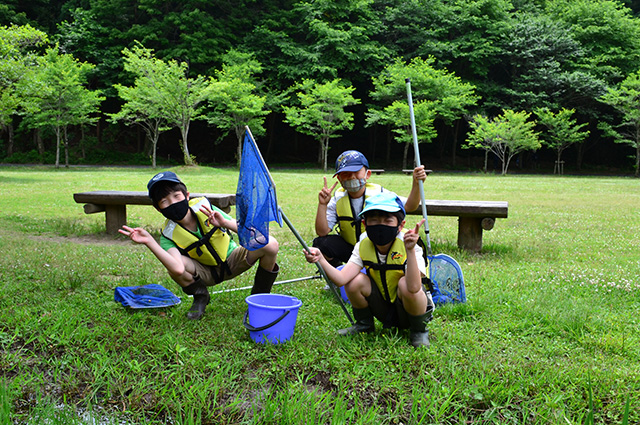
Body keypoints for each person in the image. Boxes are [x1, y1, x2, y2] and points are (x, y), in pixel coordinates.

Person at [119, 171, 279, 320]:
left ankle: (259, 298)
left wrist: (225, 223)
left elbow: (255, 236)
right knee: (173, 263)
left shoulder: (205, 208)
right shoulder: (168, 234)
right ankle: (201, 296)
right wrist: (149, 241)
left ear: (187, 196)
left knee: (270, 244)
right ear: (158, 208)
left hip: (233, 260)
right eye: (164, 201)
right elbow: (177, 269)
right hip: (206, 274)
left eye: (176, 196)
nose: (172, 203)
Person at [304, 191, 434, 347]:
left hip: (411, 306)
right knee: (354, 282)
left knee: (404, 284)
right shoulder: (363, 243)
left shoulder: (411, 243)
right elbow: (341, 279)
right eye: (374, 220)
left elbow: (413, 288)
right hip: (383, 307)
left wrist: (410, 250)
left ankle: (419, 331)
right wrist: (321, 259)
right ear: (365, 224)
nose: (380, 225)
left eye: (387, 220)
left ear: (401, 225)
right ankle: (364, 325)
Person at [313, 150, 427, 267]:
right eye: (346, 173)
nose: (352, 177)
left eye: (356, 172)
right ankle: (338, 272)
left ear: (367, 174)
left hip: (376, 247)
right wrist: (322, 204)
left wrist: (416, 184)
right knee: (320, 244)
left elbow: (409, 206)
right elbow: (322, 231)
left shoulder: (379, 193)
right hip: (351, 249)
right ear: (339, 178)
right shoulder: (338, 198)